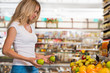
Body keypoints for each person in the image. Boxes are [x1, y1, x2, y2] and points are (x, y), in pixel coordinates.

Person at [2, 0, 53, 73]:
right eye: (34, 11)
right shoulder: (14, 26)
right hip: (20, 67)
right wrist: (28, 59)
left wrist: (41, 56)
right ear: (27, 9)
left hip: (33, 66)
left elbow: (26, 51)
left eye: (37, 12)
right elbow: (5, 50)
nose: (35, 15)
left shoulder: (31, 26)